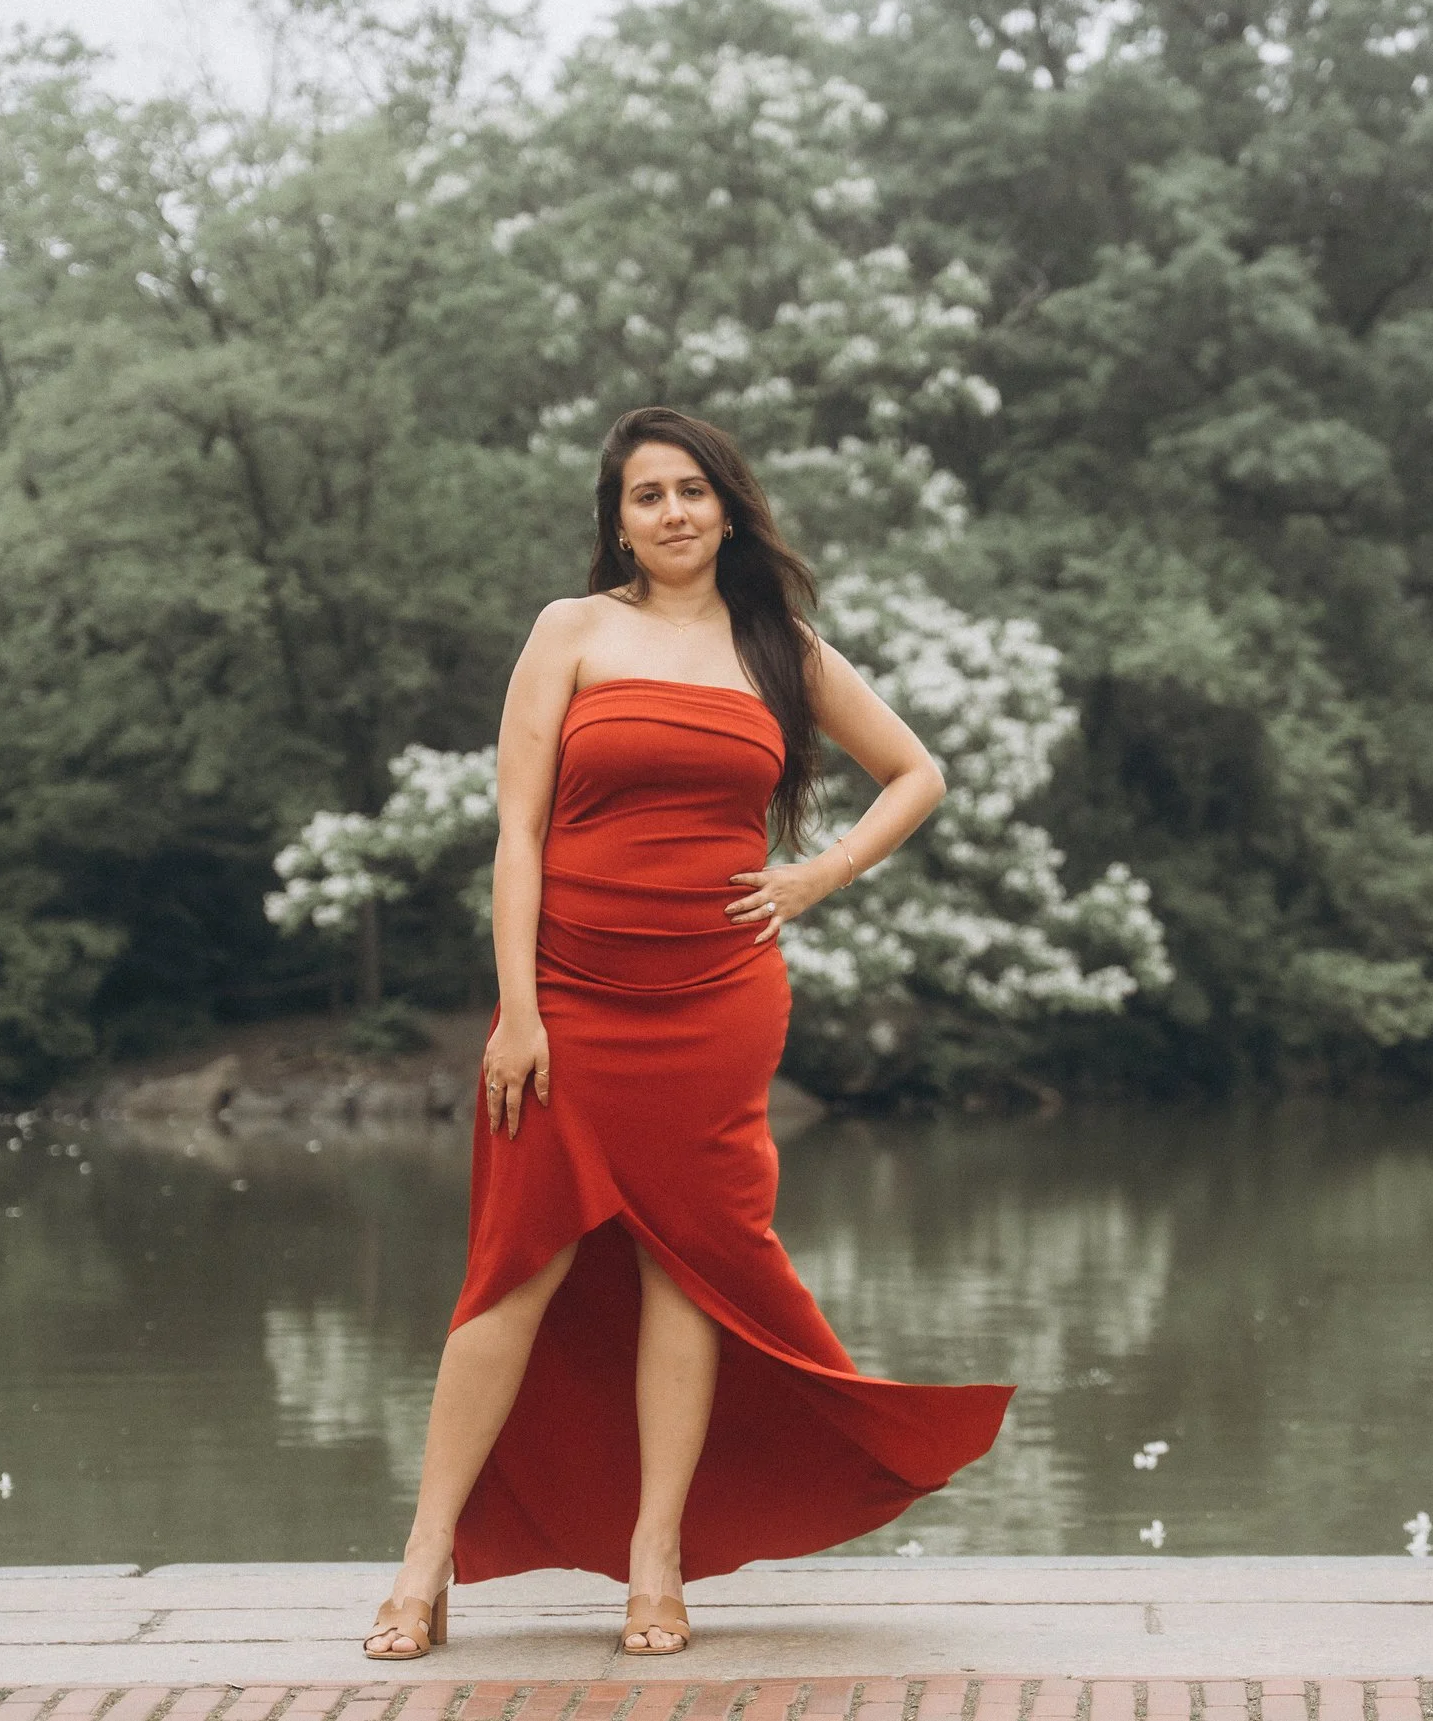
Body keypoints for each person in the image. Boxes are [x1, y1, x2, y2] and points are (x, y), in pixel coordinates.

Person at [362, 407, 1013, 1661]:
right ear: (617, 517)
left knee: (692, 1272)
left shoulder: (781, 645)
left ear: (728, 506)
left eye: (692, 491)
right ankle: (424, 1558)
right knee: (513, 1267)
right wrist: (518, 1012)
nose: (671, 512)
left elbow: (916, 772)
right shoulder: (572, 631)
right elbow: (519, 834)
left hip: (719, 999)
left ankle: (656, 1563)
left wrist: (814, 878)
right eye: (647, 494)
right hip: (566, 996)